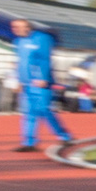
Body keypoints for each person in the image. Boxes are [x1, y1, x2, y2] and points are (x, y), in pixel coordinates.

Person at [8, 18, 76, 154]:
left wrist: (43, 78)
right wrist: (18, 80)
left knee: (44, 111)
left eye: (18, 27)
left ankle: (64, 136)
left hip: (40, 84)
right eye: (13, 27)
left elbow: (45, 59)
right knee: (28, 113)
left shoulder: (42, 38)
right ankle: (29, 142)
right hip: (26, 84)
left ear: (27, 27)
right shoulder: (18, 42)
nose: (14, 29)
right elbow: (19, 62)